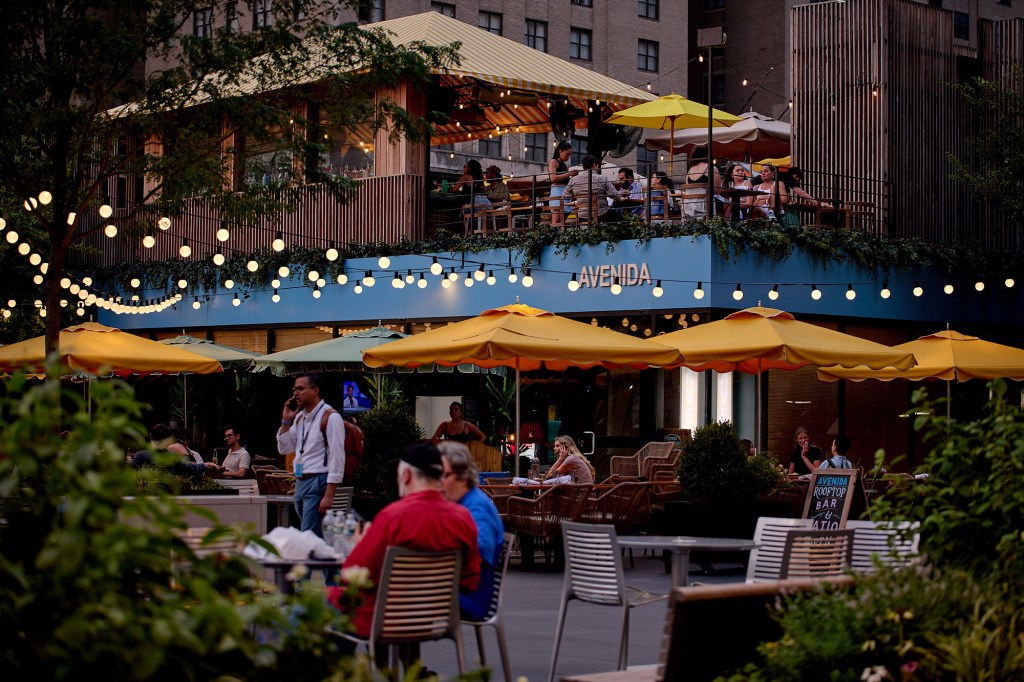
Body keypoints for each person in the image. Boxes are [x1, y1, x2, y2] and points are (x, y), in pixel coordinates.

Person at [330, 441, 480, 642]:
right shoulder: (463, 518)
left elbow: (352, 575)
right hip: (434, 619)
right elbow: (470, 580)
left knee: (309, 604)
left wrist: (359, 545)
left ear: (406, 475)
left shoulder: (393, 517)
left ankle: (337, 672)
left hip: (381, 619)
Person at [437, 441, 504, 621]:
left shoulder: (477, 507)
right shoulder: (458, 503)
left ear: (463, 477)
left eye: (444, 475)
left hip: (469, 597)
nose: (439, 482)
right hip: (452, 589)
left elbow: (480, 552)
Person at [277, 373, 346, 537]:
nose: (296, 393)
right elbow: (285, 448)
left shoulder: (331, 417)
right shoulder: (300, 417)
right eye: (294, 389)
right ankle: (319, 562)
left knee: (308, 535)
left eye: (300, 389)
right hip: (300, 481)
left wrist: (329, 494)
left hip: (318, 481)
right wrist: (286, 421)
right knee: (313, 534)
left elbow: (338, 456)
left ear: (315, 390)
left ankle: (310, 563)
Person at [130, 423, 211, 480]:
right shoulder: (173, 457)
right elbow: (192, 469)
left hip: (149, 497)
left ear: (151, 436)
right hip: (169, 497)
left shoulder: (142, 456)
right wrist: (206, 465)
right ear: (167, 439)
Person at [562, 155, 622, 224]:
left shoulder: (573, 180)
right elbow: (616, 196)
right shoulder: (602, 179)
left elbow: (565, 195)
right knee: (619, 217)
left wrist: (577, 197)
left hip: (582, 215)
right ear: (594, 165)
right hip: (601, 214)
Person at [681, 147, 721, 217]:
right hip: (705, 205)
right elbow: (717, 191)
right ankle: (722, 226)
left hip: (688, 205)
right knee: (728, 204)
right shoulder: (711, 168)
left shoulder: (690, 170)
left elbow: (688, 189)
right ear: (708, 155)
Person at [453, 159, 491, 230]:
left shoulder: (466, 177)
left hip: (475, 204)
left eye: (465, 166)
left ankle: (468, 233)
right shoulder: (480, 181)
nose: (464, 168)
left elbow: (454, 189)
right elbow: (487, 194)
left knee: (461, 214)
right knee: (476, 218)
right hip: (487, 205)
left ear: (469, 168)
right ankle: (478, 234)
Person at [547, 140, 575, 226]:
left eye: (570, 155)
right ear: (560, 151)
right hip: (557, 190)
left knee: (564, 216)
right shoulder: (553, 162)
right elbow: (553, 178)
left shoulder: (564, 165)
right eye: (567, 154)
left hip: (564, 191)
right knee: (556, 220)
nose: (568, 157)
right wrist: (569, 174)